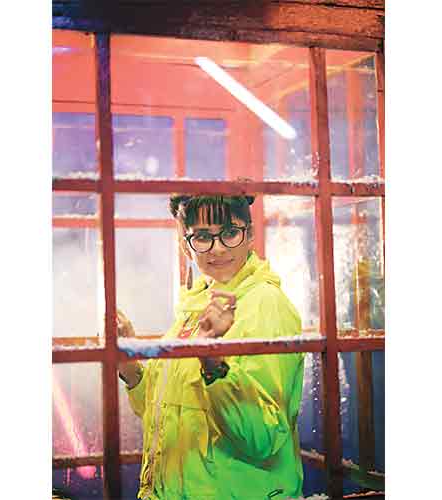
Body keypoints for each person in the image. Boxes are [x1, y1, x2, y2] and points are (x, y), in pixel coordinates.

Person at [117, 194, 306, 500]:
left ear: (250, 235)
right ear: (186, 245)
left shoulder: (265, 304)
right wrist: (129, 368)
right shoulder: (196, 305)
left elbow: (262, 437)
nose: (218, 248)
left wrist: (213, 364)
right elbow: (168, 411)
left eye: (230, 233)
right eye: (203, 237)